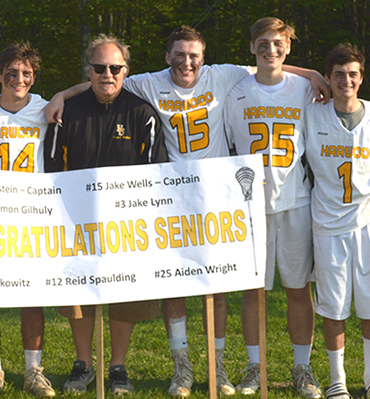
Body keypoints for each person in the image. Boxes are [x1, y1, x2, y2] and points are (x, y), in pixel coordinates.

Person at [45, 25, 329, 397]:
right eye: (178, 54)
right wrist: (62, 95)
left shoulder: (222, 75)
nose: (186, 62)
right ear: (167, 58)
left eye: (193, 54)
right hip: (172, 195)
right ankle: (182, 367)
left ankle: (218, 364)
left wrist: (311, 74)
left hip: (215, 193)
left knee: (221, 283)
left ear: (203, 57)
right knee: (174, 285)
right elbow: (106, 79)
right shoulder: (149, 82)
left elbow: (268, 67)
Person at [44, 34, 168, 396]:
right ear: (88, 71)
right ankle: (82, 363)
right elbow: (52, 171)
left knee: (124, 293)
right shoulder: (67, 111)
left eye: (115, 68)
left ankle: (118, 366)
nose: (107, 74)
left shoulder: (142, 113)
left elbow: (154, 173)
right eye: (99, 68)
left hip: (125, 225)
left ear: (126, 71)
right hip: (75, 222)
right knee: (79, 297)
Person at [223, 17, 320, 397]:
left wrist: (313, 73)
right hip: (251, 206)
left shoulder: (304, 88)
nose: (271, 50)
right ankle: (254, 366)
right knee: (254, 291)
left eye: (278, 43)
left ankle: (302, 367)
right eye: (263, 43)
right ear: (252, 48)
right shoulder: (237, 90)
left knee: (298, 288)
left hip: (295, 199)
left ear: (288, 48)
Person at [0, 42, 56, 398]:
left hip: (31, 216)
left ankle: (34, 370)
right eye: (13, 73)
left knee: (31, 297)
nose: (20, 79)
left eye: (27, 74)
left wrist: (63, 93)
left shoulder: (45, 108)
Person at [302, 43, 370, 399]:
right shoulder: (312, 114)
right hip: (328, 224)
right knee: (333, 307)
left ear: (362, 79)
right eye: (338, 74)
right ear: (328, 78)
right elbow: (263, 72)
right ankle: (337, 378)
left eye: (353, 74)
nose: (346, 80)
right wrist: (309, 73)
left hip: (367, 224)